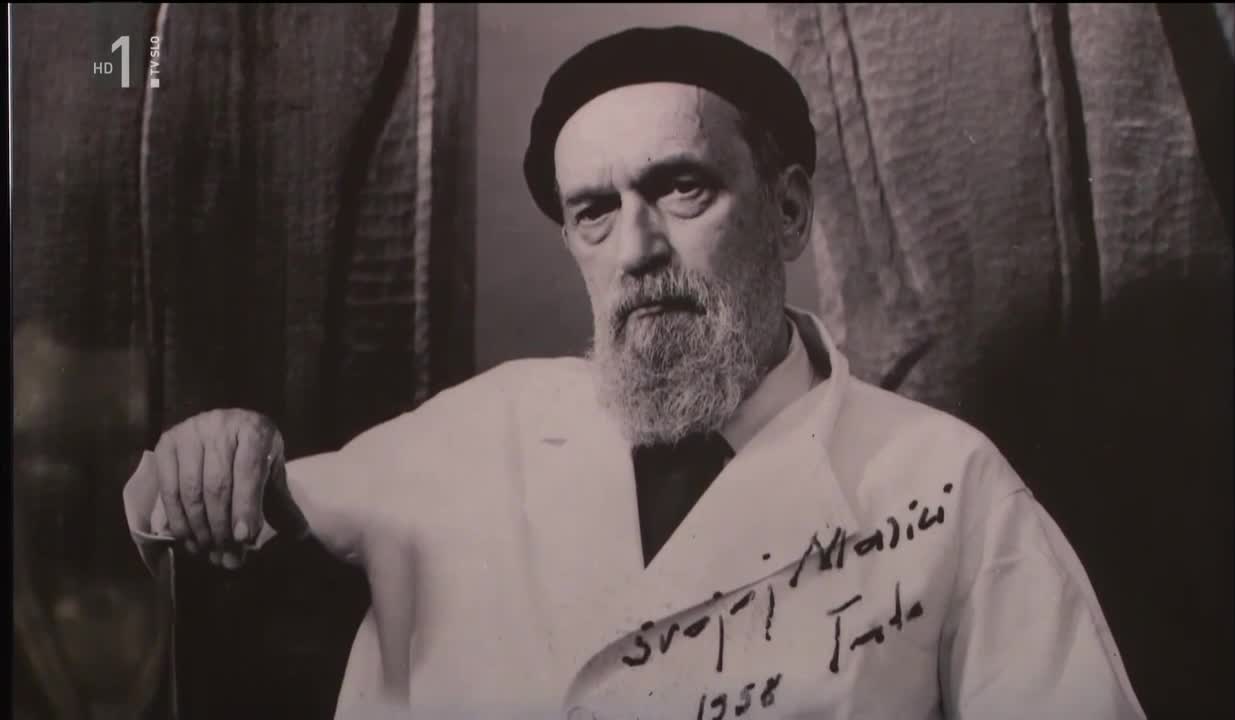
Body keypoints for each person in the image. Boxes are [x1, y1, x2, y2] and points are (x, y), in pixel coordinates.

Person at [124, 25, 1147, 720]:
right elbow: (205, 511)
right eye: (594, 212)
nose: (637, 249)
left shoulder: (944, 482)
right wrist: (220, 451)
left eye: (682, 188)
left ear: (789, 212)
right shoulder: (482, 428)